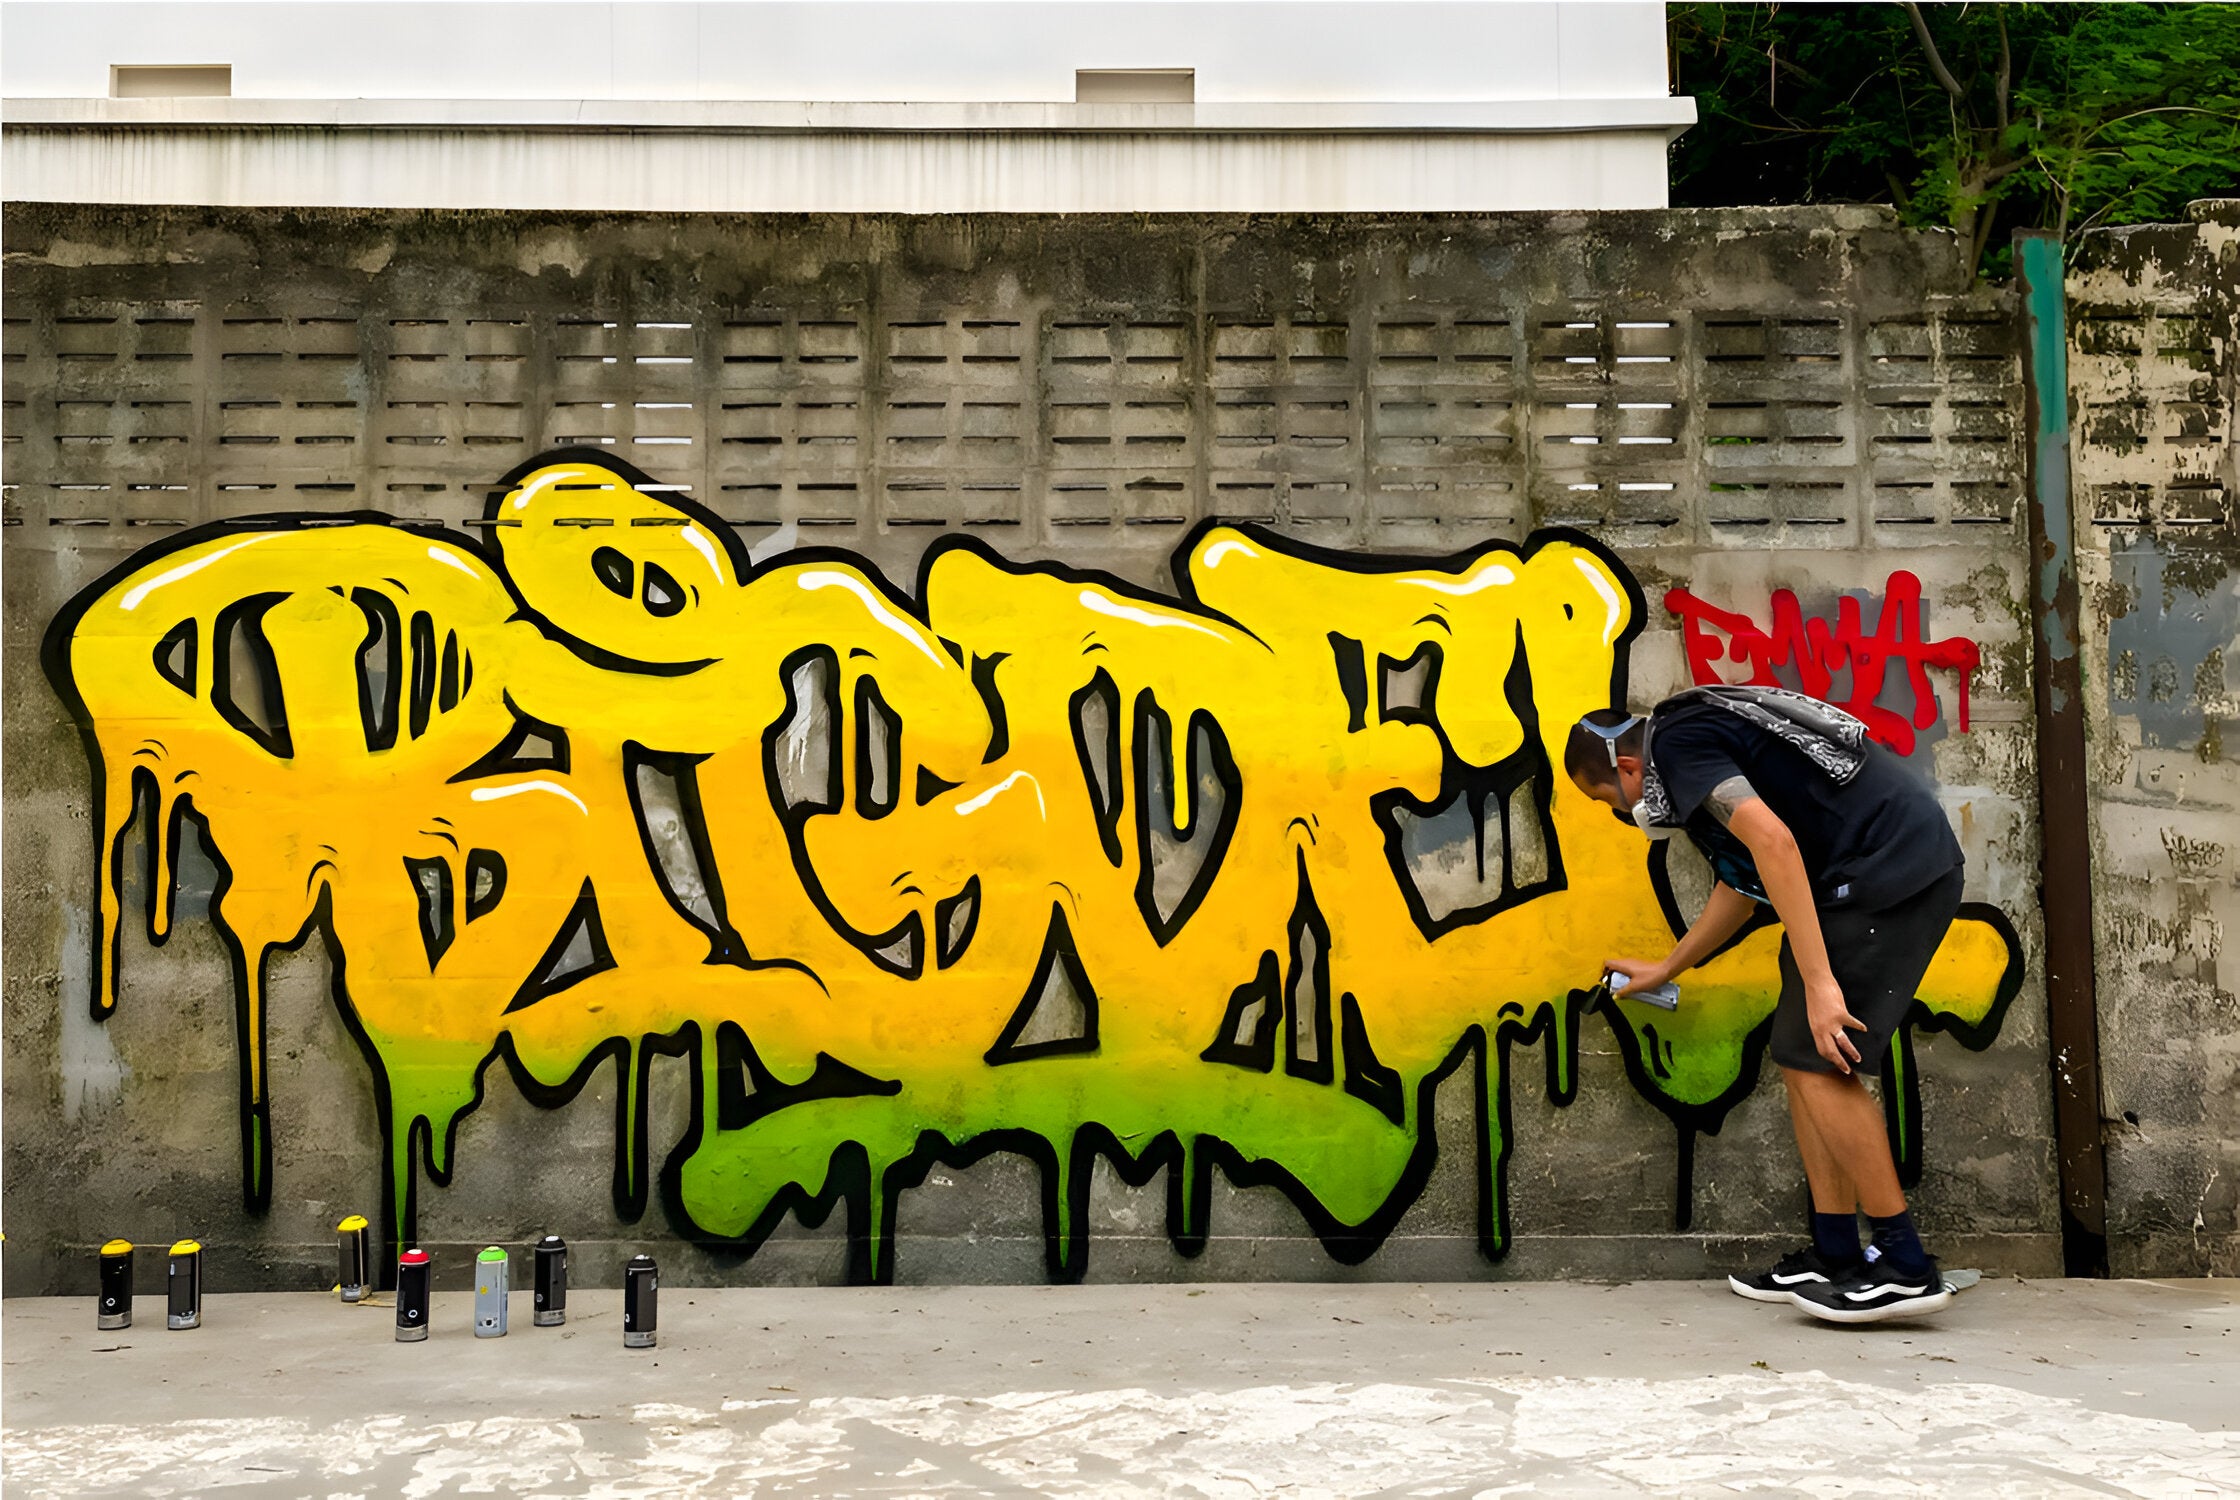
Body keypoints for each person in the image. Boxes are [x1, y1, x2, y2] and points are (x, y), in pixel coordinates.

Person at [1564, 686, 1964, 1323]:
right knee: (1798, 1053)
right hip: (1860, 874)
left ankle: (1905, 1263)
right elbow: (1744, 882)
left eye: (1607, 797)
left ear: (1628, 768)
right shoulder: (1691, 753)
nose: (1620, 811)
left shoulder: (1678, 746)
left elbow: (1775, 844)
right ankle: (1836, 1252)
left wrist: (1824, 988)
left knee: (1816, 1053)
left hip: (1889, 870)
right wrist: (1668, 967)